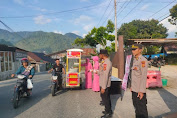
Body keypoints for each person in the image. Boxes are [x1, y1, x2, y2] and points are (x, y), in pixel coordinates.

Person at [131, 44, 148, 118]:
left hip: (139, 90)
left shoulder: (143, 61)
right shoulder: (134, 60)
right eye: (132, 49)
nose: (133, 51)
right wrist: (132, 86)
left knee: (142, 109)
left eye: (135, 49)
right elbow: (133, 75)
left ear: (140, 50)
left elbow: (143, 76)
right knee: (136, 108)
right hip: (134, 89)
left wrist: (141, 91)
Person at [98, 49, 112, 118]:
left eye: (100, 54)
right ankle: (108, 110)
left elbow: (106, 75)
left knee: (105, 99)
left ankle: (108, 113)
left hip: (105, 84)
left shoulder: (107, 62)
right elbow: (102, 72)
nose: (99, 56)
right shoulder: (104, 62)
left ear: (102, 55)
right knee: (106, 98)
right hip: (103, 83)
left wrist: (103, 87)